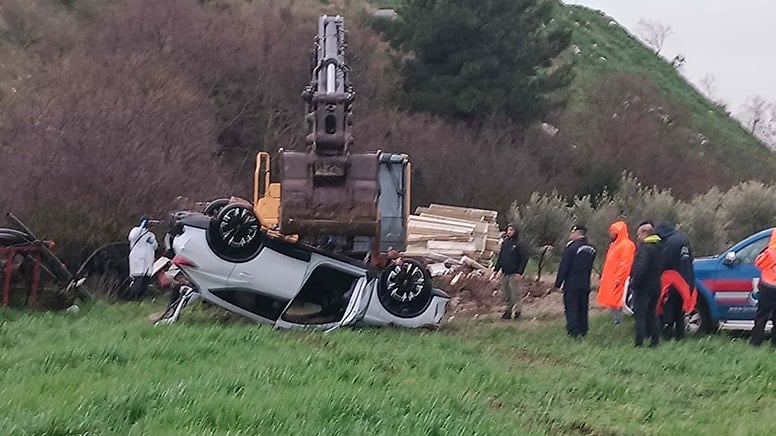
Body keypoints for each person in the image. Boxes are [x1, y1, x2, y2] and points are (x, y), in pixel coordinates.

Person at [655, 221, 695, 340]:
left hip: (672, 281)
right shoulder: (683, 239)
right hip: (686, 280)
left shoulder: (668, 242)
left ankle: (667, 336)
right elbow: (690, 258)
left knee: (669, 309)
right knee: (680, 310)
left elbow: (664, 261)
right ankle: (680, 336)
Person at [554, 224, 597, 337]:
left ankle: (573, 331)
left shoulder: (571, 248)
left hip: (572, 282)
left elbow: (564, 266)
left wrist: (558, 283)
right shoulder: (592, 248)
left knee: (572, 307)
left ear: (577, 233)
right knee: (583, 307)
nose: (571, 234)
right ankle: (583, 330)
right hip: (585, 282)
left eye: (572, 232)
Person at [630, 222, 664, 348]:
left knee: (640, 314)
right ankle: (655, 341)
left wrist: (634, 282)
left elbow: (641, 267)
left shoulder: (645, 248)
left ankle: (639, 342)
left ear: (645, 233)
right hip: (656, 284)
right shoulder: (659, 247)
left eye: (639, 234)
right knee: (652, 313)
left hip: (644, 286)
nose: (638, 237)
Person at [597, 221, 636, 325]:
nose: (611, 233)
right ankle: (616, 321)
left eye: (613, 231)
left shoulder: (626, 245)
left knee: (620, 301)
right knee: (613, 301)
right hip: (611, 278)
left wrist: (620, 278)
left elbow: (626, 263)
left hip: (620, 279)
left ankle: (620, 322)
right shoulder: (614, 245)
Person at [494, 224, 528, 320]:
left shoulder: (519, 244)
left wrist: (519, 272)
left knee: (515, 294)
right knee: (506, 294)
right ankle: (508, 311)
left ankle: (517, 312)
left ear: (515, 231)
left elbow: (524, 259)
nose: (509, 232)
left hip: (514, 273)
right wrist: (496, 269)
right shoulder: (505, 243)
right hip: (505, 272)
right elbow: (501, 257)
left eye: (511, 230)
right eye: (508, 230)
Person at [750, 228, 776, 347]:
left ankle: (755, 342)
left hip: (768, 287)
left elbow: (758, 263)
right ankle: (774, 344)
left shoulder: (769, 252)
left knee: (762, 315)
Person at [127, 215, 158, 300]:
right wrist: (141, 227)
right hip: (138, 259)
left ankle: (139, 298)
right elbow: (132, 237)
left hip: (147, 260)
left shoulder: (151, 234)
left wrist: (152, 242)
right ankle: (132, 298)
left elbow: (155, 246)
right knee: (138, 279)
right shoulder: (136, 230)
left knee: (145, 280)